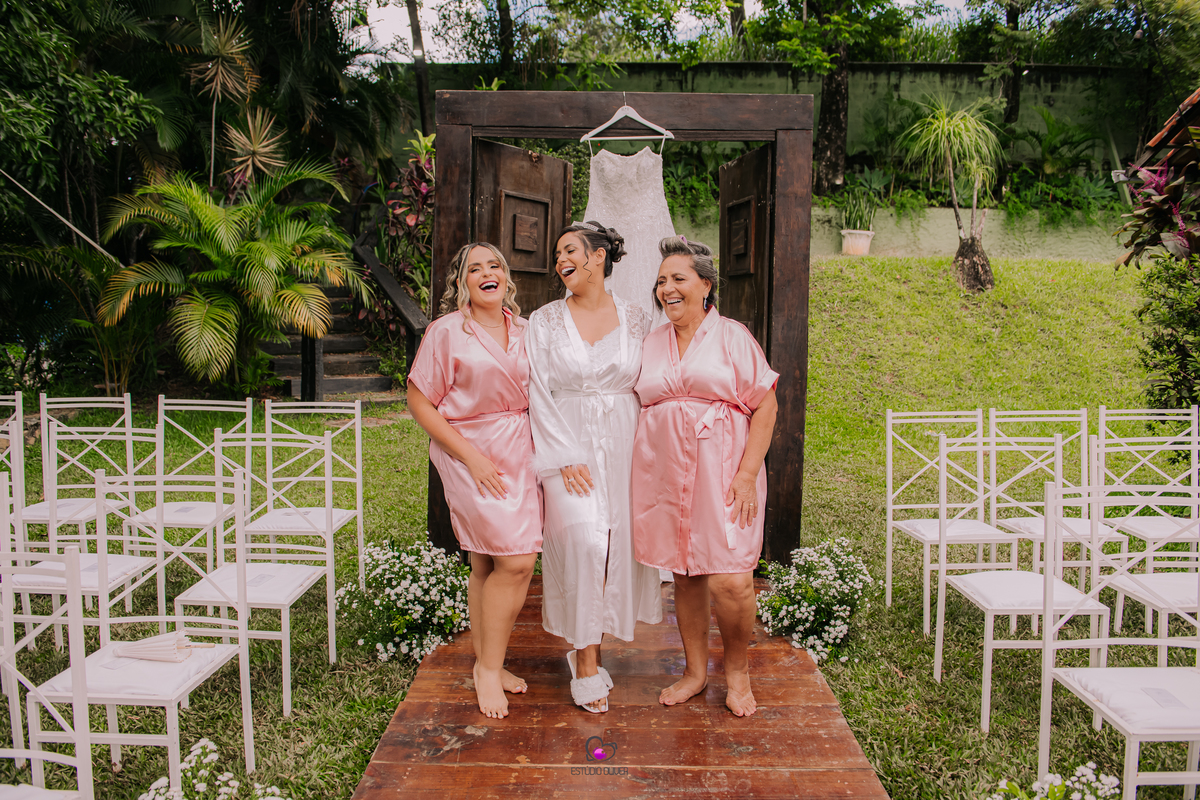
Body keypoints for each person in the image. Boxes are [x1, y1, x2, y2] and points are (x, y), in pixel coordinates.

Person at [630, 236, 779, 718]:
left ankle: (737, 671)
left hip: (724, 473)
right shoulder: (651, 342)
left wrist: (747, 473)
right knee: (686, 575)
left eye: (679, 278)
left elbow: (766, 404)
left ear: (706, 285)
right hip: (665, 474)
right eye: (661, 281)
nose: (667, 289)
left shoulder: (733, 337)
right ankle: (695, 672)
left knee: (732, 580)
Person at [527, 221, 663, 714]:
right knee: (584, 543)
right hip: (566, 445)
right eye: (557, 254)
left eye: (570, 250)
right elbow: (536, 390)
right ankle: (585, 663)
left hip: (626, 444)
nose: (560, 260)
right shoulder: (544, 320)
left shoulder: (637, 318)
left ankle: (590, 647)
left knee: (613, 551)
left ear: (598, 256)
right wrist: (564, 456)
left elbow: (656, 378)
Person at [406, 242, 542, 719]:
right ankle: (487, 669)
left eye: (495, 265)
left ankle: (489, 661)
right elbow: (419, 400)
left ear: (506, 277)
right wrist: (472, 458)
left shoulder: (527, 330)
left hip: (521, 449)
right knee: (518, 561)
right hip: (468, 451)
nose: (487, 272)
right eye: (475, 268)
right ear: (462, 281)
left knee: (487, 561)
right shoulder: (447, 332)